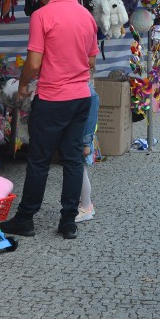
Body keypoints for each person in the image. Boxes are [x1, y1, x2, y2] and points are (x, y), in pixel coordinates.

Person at [0, 0, 98, 240]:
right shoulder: (86, 15)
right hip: (81, 98)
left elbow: (33, 62)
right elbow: (91, 62)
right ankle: (68, 222)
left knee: (39, 160)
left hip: (52, 98)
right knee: (72, 159)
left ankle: (26, 218)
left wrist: (22, 86)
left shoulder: (41, 15)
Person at [75, 78, 100, 223]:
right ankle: (87, 204)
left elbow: (89, 123)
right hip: (84, 138)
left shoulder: (90, 95)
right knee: (81, 171)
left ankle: (85, 208)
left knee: (81, 171)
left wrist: (86, 144)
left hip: (83, 139)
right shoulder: (89, 92)